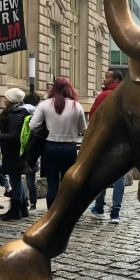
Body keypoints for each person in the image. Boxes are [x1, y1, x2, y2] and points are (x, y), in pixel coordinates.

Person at [30, 78, 86, 210]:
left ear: (53, 88)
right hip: (70, 148)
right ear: (69, 89)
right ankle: (66, 212)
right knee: (67, 184)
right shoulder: (76, 106)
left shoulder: (45, 104)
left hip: (50, 147)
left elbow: (33, 125)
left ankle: (51, 214)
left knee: (52, 185)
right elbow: (83, 129)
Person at [0, 89, 32, 221]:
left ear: (12, 100)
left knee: (15, 180)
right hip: (15, 153)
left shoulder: (15, 115)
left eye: (6, 98)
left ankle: (15, 211)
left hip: (14, 153)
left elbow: (14, 136)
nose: (4, 100)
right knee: (16, 179)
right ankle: (23, 208)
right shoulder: (16, 112)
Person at [89, 69, 126, 223]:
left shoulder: (104, 96)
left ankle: (99, 208)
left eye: (107, 77)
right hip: (123, 141)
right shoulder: (128, 96)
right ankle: (115, 214)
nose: (104, 79)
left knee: (101, 174)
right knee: (120, 177)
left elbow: (92, 118)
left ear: (116, 79)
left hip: (104, 141)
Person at [22, 93, 41, 210]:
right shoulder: (38, 113)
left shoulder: (20, 112)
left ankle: (26, 202)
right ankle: (32, 203)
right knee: (30, 181)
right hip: (32, 152)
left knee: (22, 180)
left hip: (23, 150)